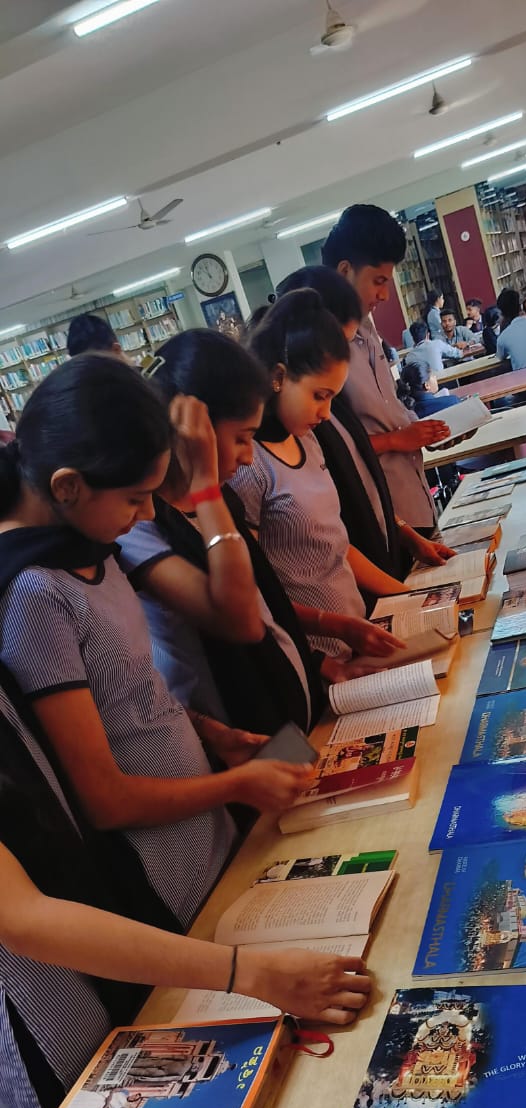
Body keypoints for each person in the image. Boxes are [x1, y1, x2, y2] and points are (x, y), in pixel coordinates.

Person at [0, 671, 371, 1108]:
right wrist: (252, 972)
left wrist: (207, 730)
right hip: (41, 1026)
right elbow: (24, 920)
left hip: (103, 963)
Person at [0, 356, 313, 932]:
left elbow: (124, 691)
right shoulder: (34, 594)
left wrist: (204, 730)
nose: (147, 514)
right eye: (134, 498)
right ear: (67, 486)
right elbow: (104, 797)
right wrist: (237, 783)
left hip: (207, 836)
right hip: (164, 874)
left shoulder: (89, 548)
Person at [119, 330, 376, 737]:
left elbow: (266, 604)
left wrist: (330, 637)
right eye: (240, 439)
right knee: (290, 802)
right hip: (242, 738)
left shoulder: (219, 502)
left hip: (287, 713)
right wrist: (204, 483)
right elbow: (241, 620)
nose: (247, 454)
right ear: (192, 432)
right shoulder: (140, 529)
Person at [231, 290, 409, 657]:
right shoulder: (249, 465)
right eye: (319, 395)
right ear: (279, 378)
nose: (326, 413)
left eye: (332, 398)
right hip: (319, 655)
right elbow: (259, 592)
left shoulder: (307, 440)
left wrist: (409, 595)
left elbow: (337, 548)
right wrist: (335, 627)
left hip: (358, 633)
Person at [276, 266, 453, 577]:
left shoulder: (331, 409)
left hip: (386, 546)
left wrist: (405, 533)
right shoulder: (303, 429)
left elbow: (366, 488)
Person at [322, 205, 452, 538]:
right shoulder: (321, 348)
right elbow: (332, 447)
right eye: (378, 281)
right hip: (384, 519)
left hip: (415, 497)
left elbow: (387, 405)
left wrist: (422, 432)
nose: (384, 294)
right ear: (344, 271)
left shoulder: (366, 326)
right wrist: (397, 439)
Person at [397, 361, 462, 418]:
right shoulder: (453, 401)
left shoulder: (409, 412)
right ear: (427, 385)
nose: (435, 377)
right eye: (432, 375)